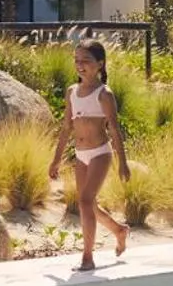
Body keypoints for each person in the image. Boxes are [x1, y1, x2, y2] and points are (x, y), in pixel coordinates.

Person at [49, 39, 130, 270]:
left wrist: (123, 163)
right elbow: (66, 128)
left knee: (84, 201)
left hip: (100, 154)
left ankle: (87, 257)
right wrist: (56, 159)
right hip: (80, 154)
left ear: (100, 64)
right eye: (77, 60)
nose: (80, 65)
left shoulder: (104, 94)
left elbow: (114, 130)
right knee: (89, 204)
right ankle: (119, 230)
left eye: (86, 60)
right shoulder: (72, 92)